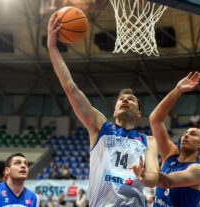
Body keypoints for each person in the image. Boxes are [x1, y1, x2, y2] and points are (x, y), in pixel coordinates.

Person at [47, 13, 159, 207]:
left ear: (139, 113)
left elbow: (154, 177)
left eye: (131, 99)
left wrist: (144, 177)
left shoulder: (148, 141)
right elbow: (71, 88)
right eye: (121, 99)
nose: (125, 100)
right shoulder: (99, 127)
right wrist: (52, 47)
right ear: (114, 111)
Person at [133, 72, 200, 207]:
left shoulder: (199, 171)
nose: (186, 135)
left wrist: (148, 173)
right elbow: (155, 119)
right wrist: (178, 90)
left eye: (193, 134)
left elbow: (167, 181)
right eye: (185, 133)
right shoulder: (170, 153)